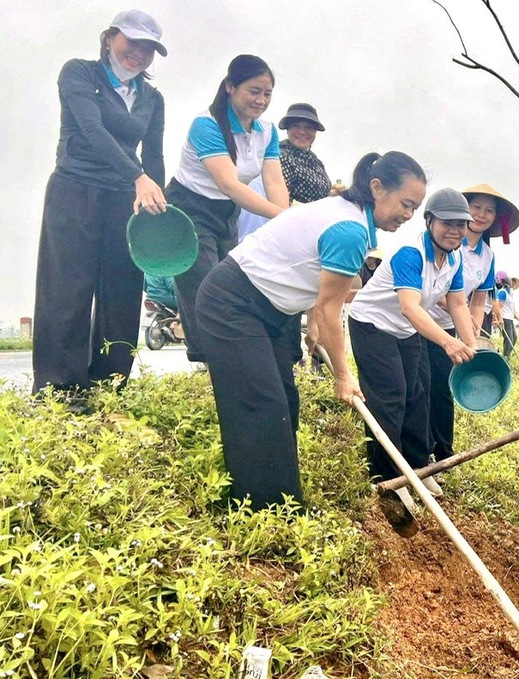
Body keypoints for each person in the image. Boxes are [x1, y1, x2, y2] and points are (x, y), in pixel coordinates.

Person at [194, 151, 426, 510]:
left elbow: (309, 276)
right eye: (406, 204)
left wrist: (313, 328)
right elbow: (331, 308)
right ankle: (265, 511)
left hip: (270, 310)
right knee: (261, 403)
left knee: (285, 400)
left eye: (414, 208)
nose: (408, 215)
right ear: (378, 188)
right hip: (232, 303)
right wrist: (344, 375)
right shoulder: (349, 230)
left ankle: (282, 500)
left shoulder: (349, 218)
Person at [32, 9, 168, 410]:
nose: (138, 52)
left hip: (125, 200)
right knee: (67, 289)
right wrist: (138, 176)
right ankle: (60, 390)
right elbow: (92, 130)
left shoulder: (152, 98)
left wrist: (157, 206)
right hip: (74, 188)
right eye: (132, 42)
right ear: (110, 38)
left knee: (123, 290)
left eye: (148, 48)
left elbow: (154, 156)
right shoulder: (79, 73)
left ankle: (110, 385)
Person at [348, 188, 479, 535]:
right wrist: (448, 342)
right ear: (430, 221)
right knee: (390, 397)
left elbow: (458, 303)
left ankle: (418, 468)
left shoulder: (454, 259)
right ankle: (388, 478)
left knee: (419, 394)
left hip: (406, 330)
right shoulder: (411, 253)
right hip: (373, 324)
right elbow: (409, 306)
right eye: (447, 223)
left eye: (461, 224)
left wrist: (470, 344)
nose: (454, 231)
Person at [166, 54, 289, 367]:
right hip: (189, 208)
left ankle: (230, 357)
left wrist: (286, 220)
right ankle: (210, 361)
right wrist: (282, 217)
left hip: (226, 213)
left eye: (267, 93)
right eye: (254, 91)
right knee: (203, 284)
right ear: (230, 87)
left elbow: (274, 181)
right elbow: (229, 184)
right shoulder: (206, 125)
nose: (261, 100)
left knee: (229, 281)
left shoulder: (267, 131)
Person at [422, 184, 519, 461]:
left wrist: (473, 331)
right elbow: (436, 292)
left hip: (452, 327)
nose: (481, 214)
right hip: (424, 321)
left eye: (489, 210)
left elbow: (478, 300)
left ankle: (442, 452)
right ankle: (420, 448)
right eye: (476, 207)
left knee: (443, 388)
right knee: (421, 386)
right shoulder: (449, 242)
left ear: (496, 219)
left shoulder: (488, 256)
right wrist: (463, 317)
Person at [235, 102, 331, 242]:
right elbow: (276, 191)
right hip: (288, 227)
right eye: (296, 126)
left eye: (308, 127)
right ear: (287, 129)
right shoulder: (277, 156)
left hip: (315, 228)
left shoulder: (316, 163)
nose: (302, 132)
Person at [492, 271, 518, 357]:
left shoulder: (510, 294)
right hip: (505, 318)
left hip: (510, 319)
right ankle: (506, 357)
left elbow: (513, 310)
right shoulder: (502, 292)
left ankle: (507, 355)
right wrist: (499, 319)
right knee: (509, 339)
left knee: (514, 338)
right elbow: (498, 306)